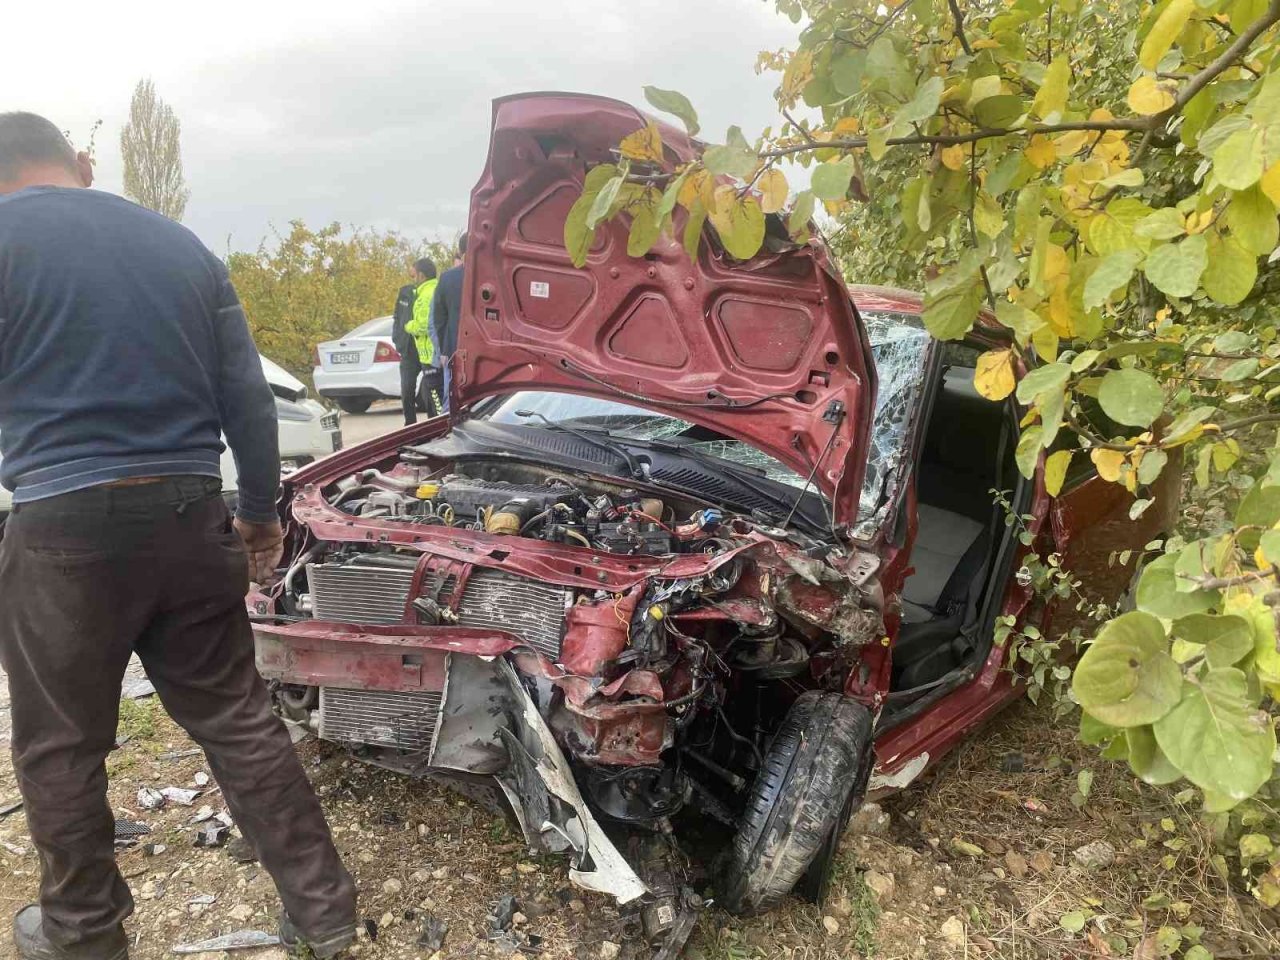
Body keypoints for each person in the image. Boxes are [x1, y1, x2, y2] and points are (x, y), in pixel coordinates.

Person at [0, 113, 357, 959]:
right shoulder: (180, 246)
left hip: (59, 532)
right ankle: (323, 911)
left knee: (62, 744)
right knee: (237, 718)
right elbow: (250, 401)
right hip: (191, 516)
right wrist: (262, 517)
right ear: (82, 161)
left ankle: (84, 933)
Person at [392, 259, 439, 425]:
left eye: (415, 273)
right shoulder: (406, 292)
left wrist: (409, 326)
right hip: (409, 350)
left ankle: (433, 424)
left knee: (431, 392)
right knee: (407, 390)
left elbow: (422, 325)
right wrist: (397, 338)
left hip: (427, 352)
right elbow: (397, 317)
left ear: (421, 274)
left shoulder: (430, 292)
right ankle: (409, 425)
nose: (413, 277)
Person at [428, 232, 466, 413]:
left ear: (460, 251)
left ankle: (447, 435)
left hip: (453, 351)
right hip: (487, 352)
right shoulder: (494, 274)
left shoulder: (447, 278)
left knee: (451, 400)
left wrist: (443, 350)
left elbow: (439, 318)